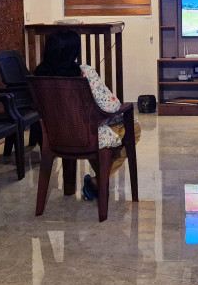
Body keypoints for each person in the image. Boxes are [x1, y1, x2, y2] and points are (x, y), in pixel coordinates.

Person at [33, 28, 142, 201]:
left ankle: (94, 181)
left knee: (108, 132)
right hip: (85, 137)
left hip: (56, 137)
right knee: (133, 128)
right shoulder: (84, 72)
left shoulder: (38, 76)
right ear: (74, 51)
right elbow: (111, 106)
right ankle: (97, 182)